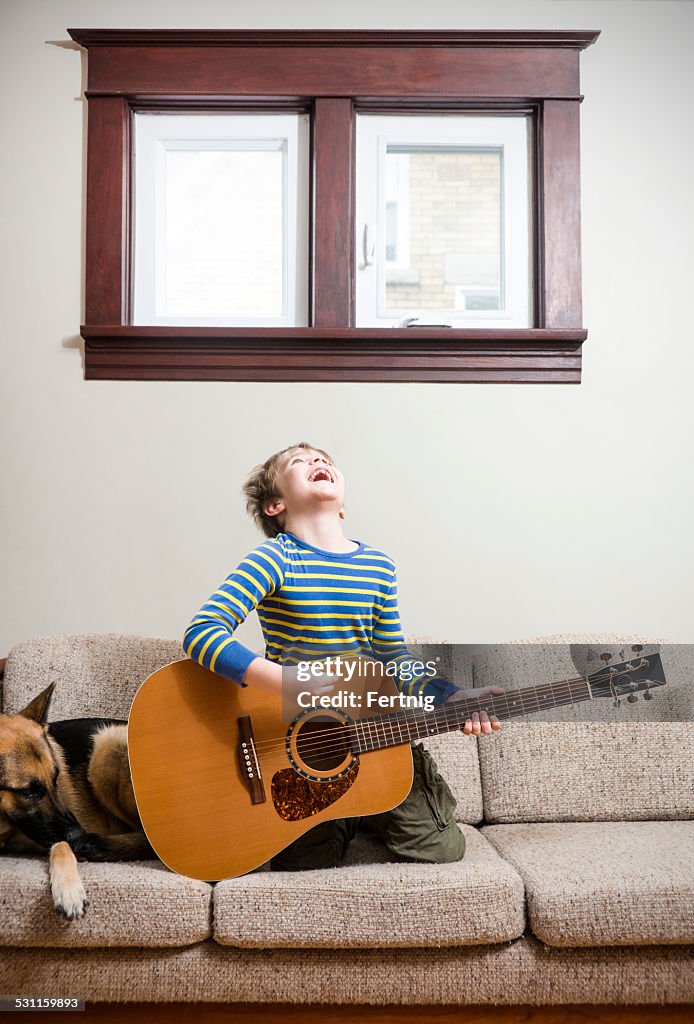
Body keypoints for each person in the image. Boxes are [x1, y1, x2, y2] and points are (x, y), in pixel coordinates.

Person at [183, 441, 502, 871]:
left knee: (442, 849)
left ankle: (372, 803)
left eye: (325, 459)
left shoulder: (378, 566)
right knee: (305, 861)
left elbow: (395, 658)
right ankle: (355, 810)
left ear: (343, 504)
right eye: (299, 462)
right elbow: (202, 632)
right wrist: (282, 681)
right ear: (275, 504)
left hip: (375, 729)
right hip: (300, 741)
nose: (317, 461)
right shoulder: (273, 558)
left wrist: (450, 696)